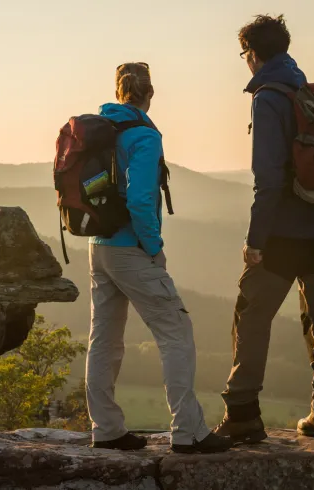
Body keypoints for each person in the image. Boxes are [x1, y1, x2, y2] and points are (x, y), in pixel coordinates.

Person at [85, 62, 232, 454]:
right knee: (176, 333)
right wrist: (154, 247)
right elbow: (140, 198)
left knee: (104, 339)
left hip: (98, 246)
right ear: (150, 94)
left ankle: (107, 429)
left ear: (118, 93)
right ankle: (188, 431)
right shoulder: (143, 136)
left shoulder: (99, 129)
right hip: (130, 249)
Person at [214, 15, 314, 443]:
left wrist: (255, 241)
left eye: (244, 54)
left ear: (252, 53)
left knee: (250, 317)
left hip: (283, 232)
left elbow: (267, 178)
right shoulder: (303, 88)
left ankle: (243, 414)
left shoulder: (268, 97)